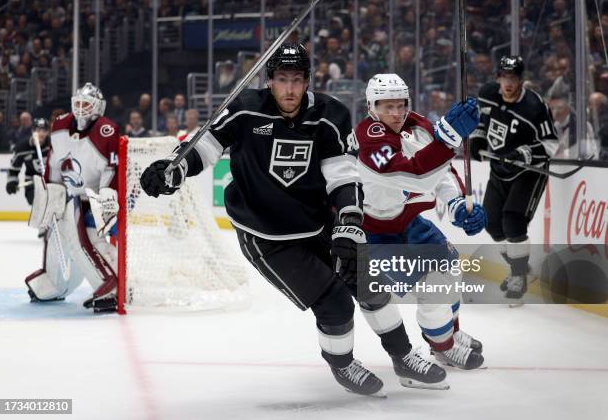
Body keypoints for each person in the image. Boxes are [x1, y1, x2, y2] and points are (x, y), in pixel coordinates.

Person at [139, 43, 475, 396]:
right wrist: (174, 171)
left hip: (317, 221)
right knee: (335, 304)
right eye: (282, 79)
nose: (289, 89)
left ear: (307, 81)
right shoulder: (244, 110)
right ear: (270, 81)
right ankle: (343, 365)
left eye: (297, 80)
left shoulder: (330, 114)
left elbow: (343, 175)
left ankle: (404, 357)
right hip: (267, 235)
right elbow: (206, 147)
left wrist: (348, 220)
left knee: (369, 282)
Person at [355, 73, 485, 370]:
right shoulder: (369, 140)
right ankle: (443, 347)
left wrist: (456, 205)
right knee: (433, 287)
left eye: (401, 105)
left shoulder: (416, 124)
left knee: (450, 268)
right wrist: (449, 137)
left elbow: (442, 170)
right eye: (387, 106)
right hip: (377, 235)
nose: (397, 113)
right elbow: (416, 175)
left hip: (409, 224)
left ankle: (448, 332)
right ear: (371, 106)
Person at [25, 82, 120, 313]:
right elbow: (54, 162)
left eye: (86, 104)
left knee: (82, 237)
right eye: (78, 103)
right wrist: (51, 193)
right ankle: (55, 283)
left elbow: (112, 169)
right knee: (55, 230)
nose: (81, 109)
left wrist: (107, 197)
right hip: (71, 195)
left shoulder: (106, 131)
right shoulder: (60, 127)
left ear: (98, 107)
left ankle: (111, 284)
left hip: (97, 198)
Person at [470, 56, 558, 299]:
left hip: (529, 171)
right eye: (504, 77)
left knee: (513, 222)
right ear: (498, 77)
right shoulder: (488, 93)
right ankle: (520, 268)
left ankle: (519, 275)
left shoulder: (535, 106)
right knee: (490, 222)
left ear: (521, 80)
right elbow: (482, 119)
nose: (508, 83)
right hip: (500, 169)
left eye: (514, 78)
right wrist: (477, 138)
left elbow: (550, 144)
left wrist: (522, 153)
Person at [5, 118, 51, 205]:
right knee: (38, 205)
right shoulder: (22, 147)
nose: (41, 133)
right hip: (32, 183)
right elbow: (13, 169)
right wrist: (12, 182)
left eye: (44, 130)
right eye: (38, 130)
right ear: (33, 131)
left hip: (51, 183)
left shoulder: (53, 145)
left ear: (48, 132)